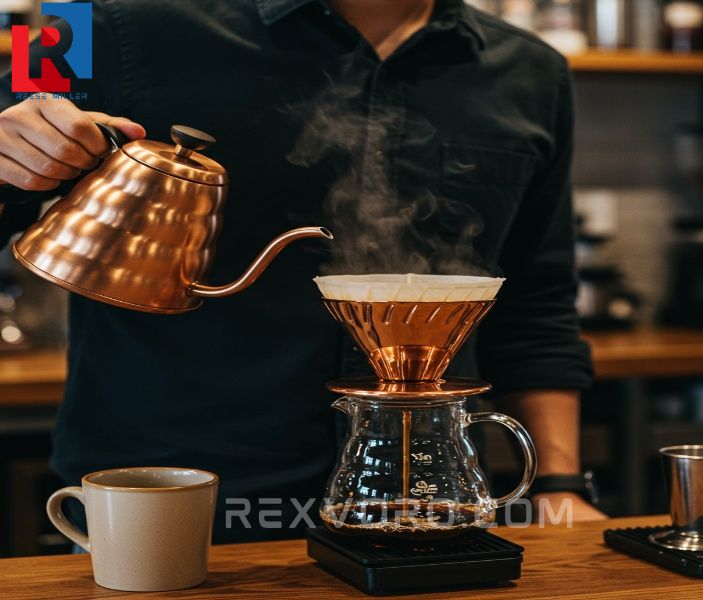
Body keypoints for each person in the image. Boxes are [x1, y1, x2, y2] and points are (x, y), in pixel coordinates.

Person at [0, 0, 604, 543]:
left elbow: (535, 302)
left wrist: (560, 482)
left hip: (421, 507)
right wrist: (10, 142)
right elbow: (19, 103)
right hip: (166, 503)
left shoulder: (536, 71)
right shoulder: (85, 20)